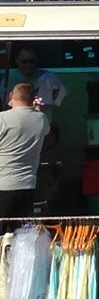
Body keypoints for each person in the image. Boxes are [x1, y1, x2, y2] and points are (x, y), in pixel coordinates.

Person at [0, 82, 52, 220]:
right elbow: (44, 129)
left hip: (3, 184)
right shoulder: (41, 119)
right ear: (34, 98)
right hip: (27, 185)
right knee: (18, 233)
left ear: (11, 95)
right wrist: (37, 109)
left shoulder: (2, 118)